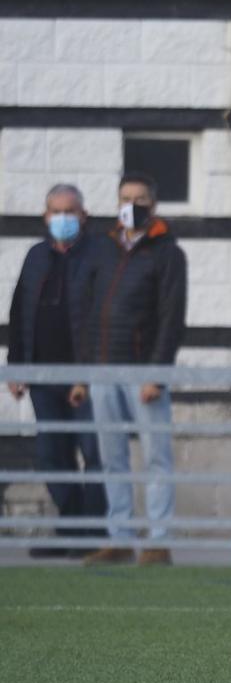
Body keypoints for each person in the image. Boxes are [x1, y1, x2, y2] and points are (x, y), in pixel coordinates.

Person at [72, 172, 187, 567]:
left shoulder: (168, 252)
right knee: (111, 457)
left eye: (139, 198)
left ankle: (157, 541)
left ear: (153, 205)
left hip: (144, 371)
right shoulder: (102, 250)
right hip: (104, 369)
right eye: (125, 197)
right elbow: (87, 312)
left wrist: (157, 373)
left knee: (156, 457)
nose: (131, 204)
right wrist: (84, 373)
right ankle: (118, 537)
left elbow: (172, 318)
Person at [7, 183, 107, 556]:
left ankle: (92, 535)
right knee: (53, 454)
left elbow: (102, 316)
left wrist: (91, 372)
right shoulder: (35, 256)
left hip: (88, 377)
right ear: (45, 216)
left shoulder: (99, 254)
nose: (62, 218)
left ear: (83, 215)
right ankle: (69, 529)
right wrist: (15, 367)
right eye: (55, 211)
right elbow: (19, 313)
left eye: (70, 211)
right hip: (43, 376)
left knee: (94, 453)